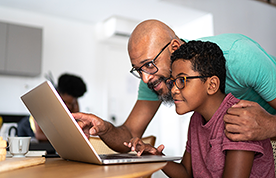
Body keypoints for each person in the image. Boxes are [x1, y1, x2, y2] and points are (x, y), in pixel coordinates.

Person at [73, 19, 276, 153]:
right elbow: (129, 133)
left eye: (149, 64)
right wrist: (105, 129)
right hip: (240, 142)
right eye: (138, 69)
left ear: (175, 47)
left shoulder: (239, 57)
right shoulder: (155, 79)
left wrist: (267, 126)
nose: (145, 78)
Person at [125, 41, 276, 178]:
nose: (174, 89)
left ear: (211, 85)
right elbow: (185, 174)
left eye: (182, 80)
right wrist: (155, 157)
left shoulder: (239, 118)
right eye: (173, 81)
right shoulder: (196, 119)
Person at [17, 73, 87, 141]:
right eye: (65, 102)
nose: (69, 106)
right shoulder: (46, 103)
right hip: (29, 130)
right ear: (58, 94)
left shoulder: (74, 104)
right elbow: (39, 135)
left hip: (54, 133)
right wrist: (66, 138)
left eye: (71, 103)